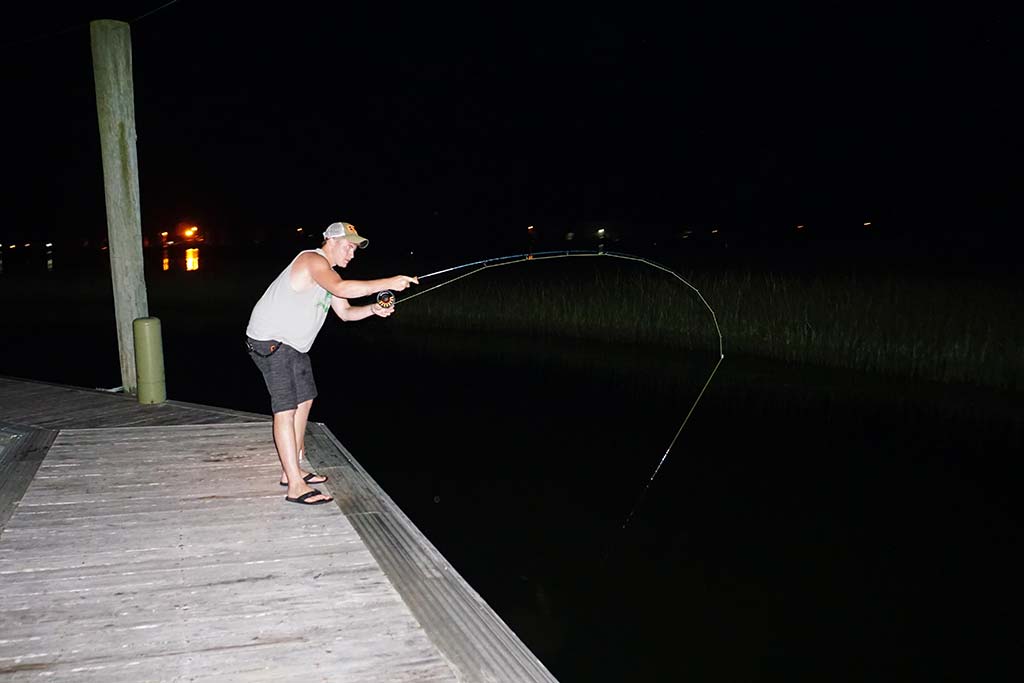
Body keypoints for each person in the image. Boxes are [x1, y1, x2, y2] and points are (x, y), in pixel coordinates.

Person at [246, 221, 417, 505]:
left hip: (293, 345)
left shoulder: (329, 275)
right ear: (331, 241)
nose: (352, 254)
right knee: (285, 409)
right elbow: (343, 288)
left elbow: (347, 313)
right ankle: (295, 486)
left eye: (354, 249)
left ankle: (294, 469)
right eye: (349, 246)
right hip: (271, 342)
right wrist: (389, 282)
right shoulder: (312, 260)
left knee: (306, 399)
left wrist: (374, 309)